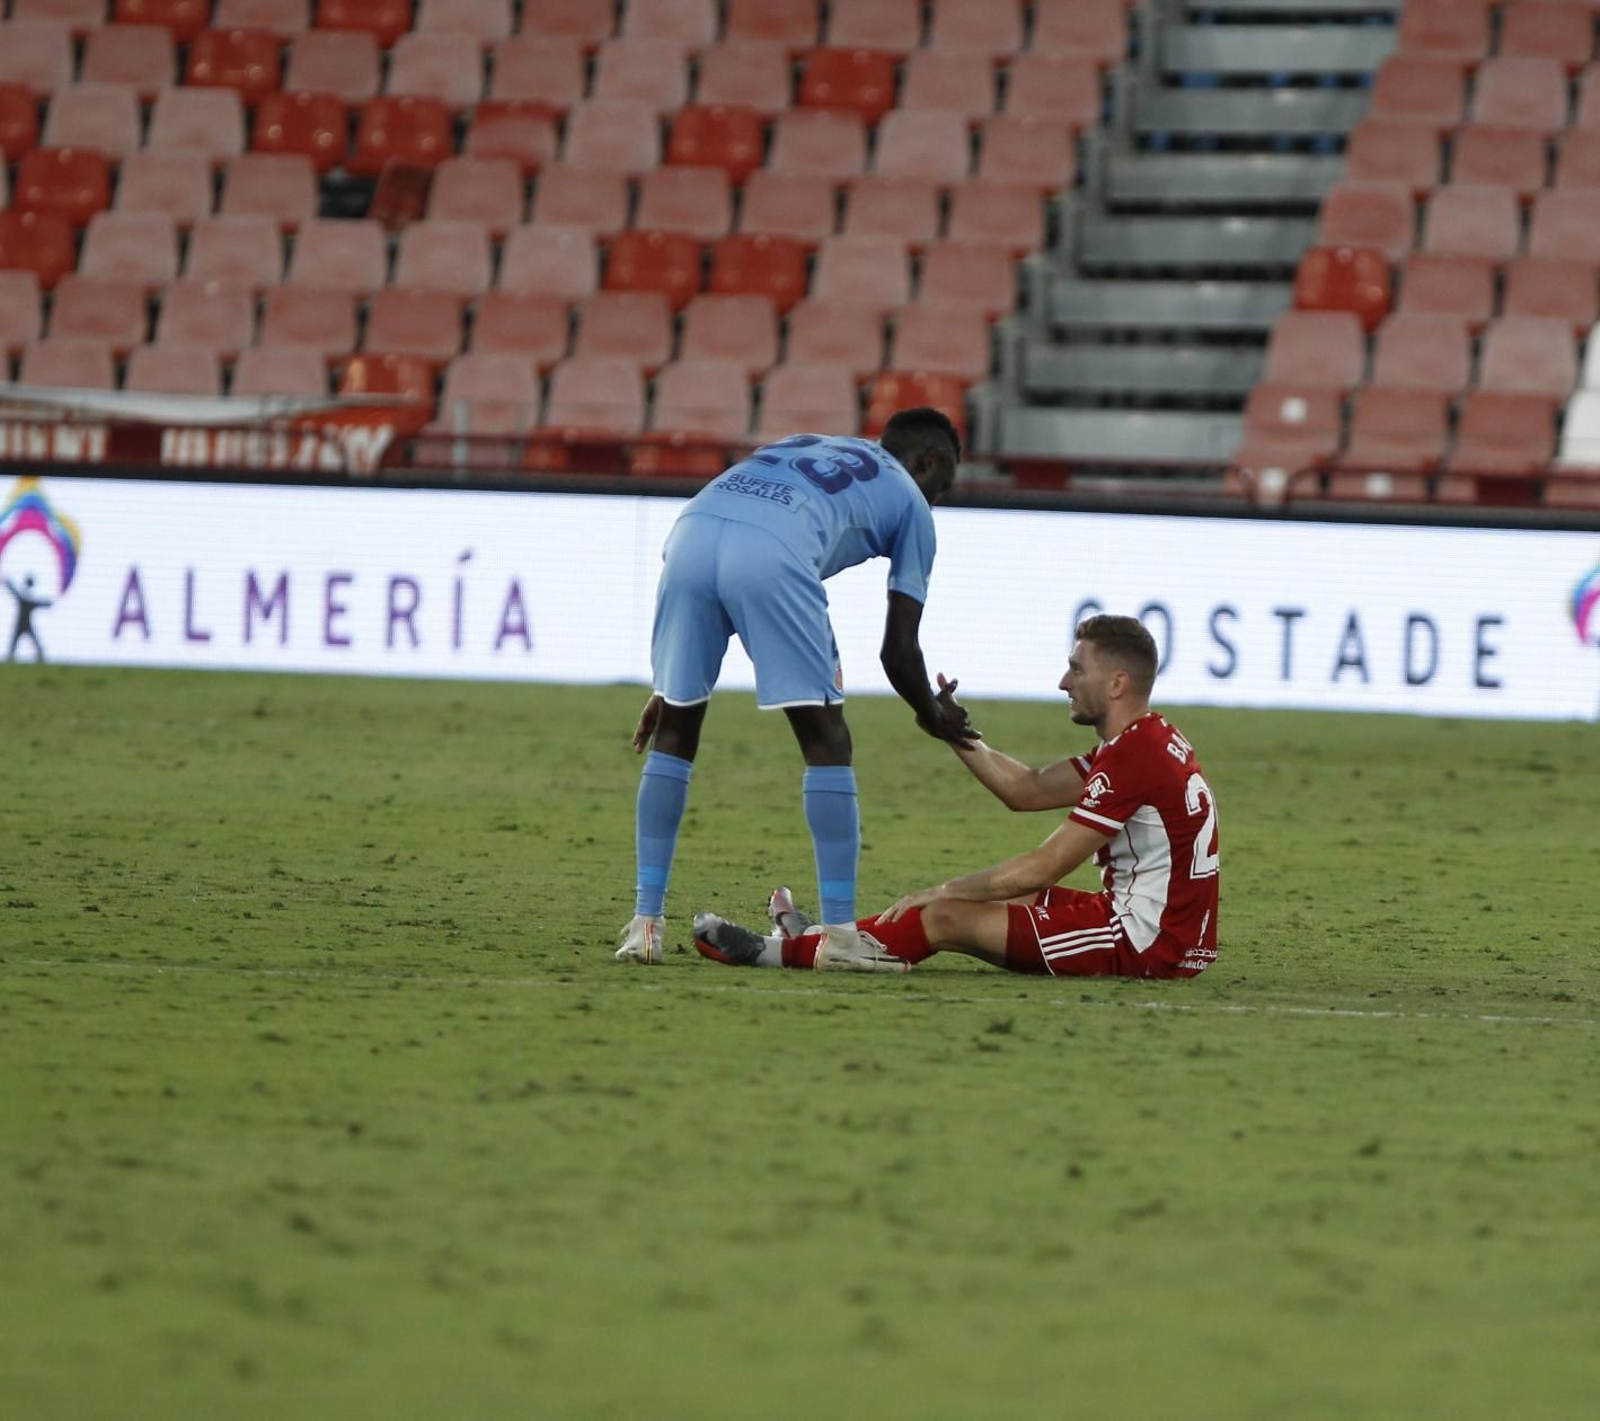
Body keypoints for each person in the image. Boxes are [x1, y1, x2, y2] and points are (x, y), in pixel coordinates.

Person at [617, 408, 979, 971]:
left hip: (689, 533)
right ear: (928, 461)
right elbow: (898, 651)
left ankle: (644, 925)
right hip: (771, 553)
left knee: (676, 728)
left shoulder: (809, 442)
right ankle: (840, 938)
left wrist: (669, 684)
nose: (937, 498)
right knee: (826, 741)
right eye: (943, 485)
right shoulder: (910, 499)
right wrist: (932, 713)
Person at [693, 614, 1220, 980]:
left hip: (1144, 946)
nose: (1064, 681)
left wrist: (939, 890)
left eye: (1077, 669)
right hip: (1161, 931)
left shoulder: (1132, 755)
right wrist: (954, 732)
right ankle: (829, 941)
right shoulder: (1146, 742)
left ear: (1117, 684)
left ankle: (774, 954)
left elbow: (1044, 866)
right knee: (984, 899)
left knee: (944, 915)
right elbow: (1027, 788)